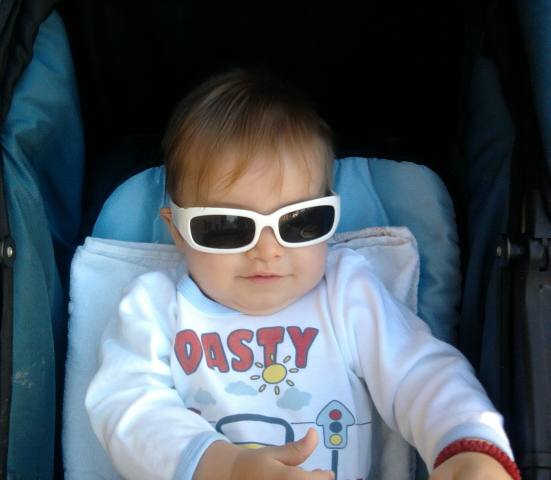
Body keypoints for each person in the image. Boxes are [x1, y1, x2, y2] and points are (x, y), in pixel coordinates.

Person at [86, 69, 519, 480]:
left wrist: (466, 445)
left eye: (299, 222)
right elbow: (126, 405)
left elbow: (417, 373)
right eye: (226, 226)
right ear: (178, 230)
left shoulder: (345, 292)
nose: (267, 250)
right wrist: (226, 467)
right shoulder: (155, 307)